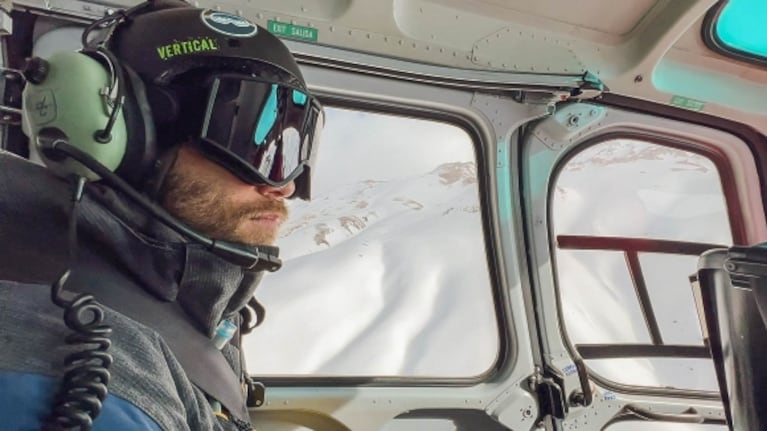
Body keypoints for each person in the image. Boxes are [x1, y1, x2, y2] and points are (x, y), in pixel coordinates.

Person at [0, 0, 323, 429]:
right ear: (124, 133)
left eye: (290, 148)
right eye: (250, 142)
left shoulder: (179, 294)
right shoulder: (95, 375)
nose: (284, 185)